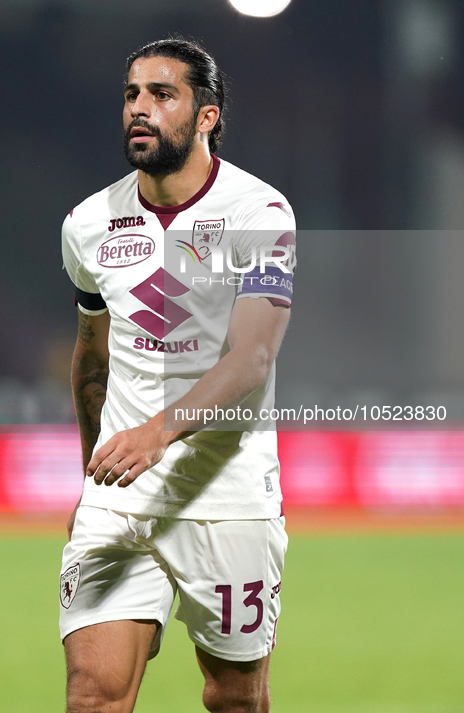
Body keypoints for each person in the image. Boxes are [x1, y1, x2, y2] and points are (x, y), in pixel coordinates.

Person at [59, 37, 296, 713]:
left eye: (162, 95)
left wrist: (157, 433)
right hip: (121, 502)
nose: (140, 108)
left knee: (232, 697)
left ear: (205, 117)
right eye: (132, 94)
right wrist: (91, 479)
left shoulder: (260, 213)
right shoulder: (88, 223)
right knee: (92, 694)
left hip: (226, 499)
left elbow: (251, 358)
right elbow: (92, 358)